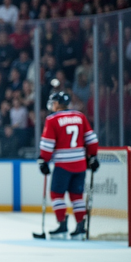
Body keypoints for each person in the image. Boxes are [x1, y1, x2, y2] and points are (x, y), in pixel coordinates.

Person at [38, 91, 100, 240]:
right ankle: (80, 227)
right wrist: (92, 157)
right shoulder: (80, 116)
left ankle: (62, 226)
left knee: (56, 194)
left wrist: (43, 160)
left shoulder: (52, 119)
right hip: (80, 164)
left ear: (58, 104)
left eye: (53, 102)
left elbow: (47, 144)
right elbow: (91, 139)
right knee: (77, 196)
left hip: (63, 164)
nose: (52, 105)